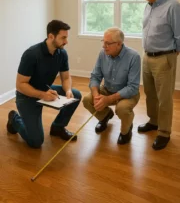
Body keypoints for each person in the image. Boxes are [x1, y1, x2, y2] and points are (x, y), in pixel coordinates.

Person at [7, 20, 82, 148]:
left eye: (66, 37)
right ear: (51, 36)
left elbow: (65, 78)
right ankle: (14, 118)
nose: (66, 42)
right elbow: (20, 85)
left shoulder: (62, 53)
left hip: (45, 90)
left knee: (75, 94)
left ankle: (58, 127)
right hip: (27, 96)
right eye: (63, 38)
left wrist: (68, 90)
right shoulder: (31, 54)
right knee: (36, 142)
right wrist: (42, 95)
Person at [138, 0, 180, 150]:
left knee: (164, 98)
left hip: (164, 58)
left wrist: (171, 55)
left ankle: (164, 132)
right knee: (150, 94)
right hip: (147, 56)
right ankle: (153, 121)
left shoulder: (173, 6)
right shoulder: (148, 7)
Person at [83, 27, 140, 145]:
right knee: (88, 100)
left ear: (119, 44)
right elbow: (95, 76)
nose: (104, 46)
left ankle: (126, 129)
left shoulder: (134, 57)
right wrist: (97, 96)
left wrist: (108, 99)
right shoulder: (102, 53)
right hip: (107, 89)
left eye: (107, 43)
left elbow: (132, 87)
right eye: (103, 42)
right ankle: (105, 116)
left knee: (122, 109)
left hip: (127, 94)